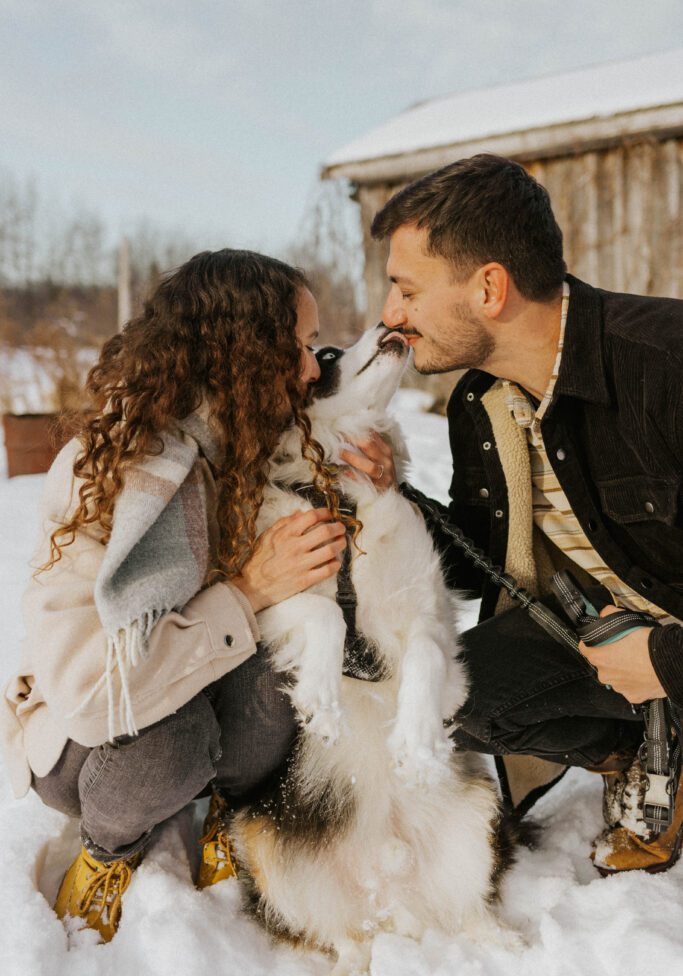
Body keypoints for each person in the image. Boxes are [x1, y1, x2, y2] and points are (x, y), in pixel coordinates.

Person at [0, 248, 361, 941]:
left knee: (296, 666)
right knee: (171, 742)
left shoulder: (265, 450)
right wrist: (248, 591)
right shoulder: (110, 467)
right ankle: (109, 850)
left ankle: (233, 807)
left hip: (205, 701)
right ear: (246, 349)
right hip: (95, 741)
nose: (315, 369)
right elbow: (91, 695)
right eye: (302, 346)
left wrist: (373, 474)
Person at [366, 153, 683, 875]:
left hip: (668, 642)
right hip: (597, 641)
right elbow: (477, 560)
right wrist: (389, 497)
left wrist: (665, 662)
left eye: (406, 289)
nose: (390, 315)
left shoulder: (665, 366)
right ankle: (640, 745)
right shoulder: (481, 402)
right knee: (443, 697)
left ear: (488, 287)